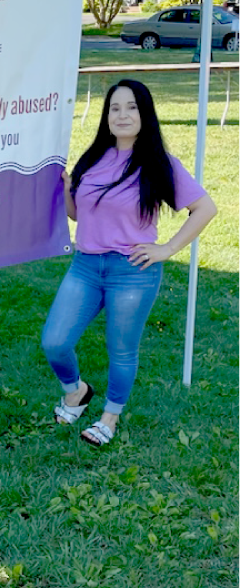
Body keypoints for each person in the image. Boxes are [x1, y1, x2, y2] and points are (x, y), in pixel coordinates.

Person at [42, 79, 217, 447]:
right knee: (55, 341)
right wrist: (68, 187)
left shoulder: (158, 164)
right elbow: (78, 215)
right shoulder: (93, 158)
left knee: (121, 349)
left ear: (146, 114)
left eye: (132, 107)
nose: (122, 115)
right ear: (107, 116)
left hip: (133, 271)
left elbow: (205, 208)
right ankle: (76, 392)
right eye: (115, 108)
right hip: (86, 266)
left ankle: (109, 416)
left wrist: (166, 248)